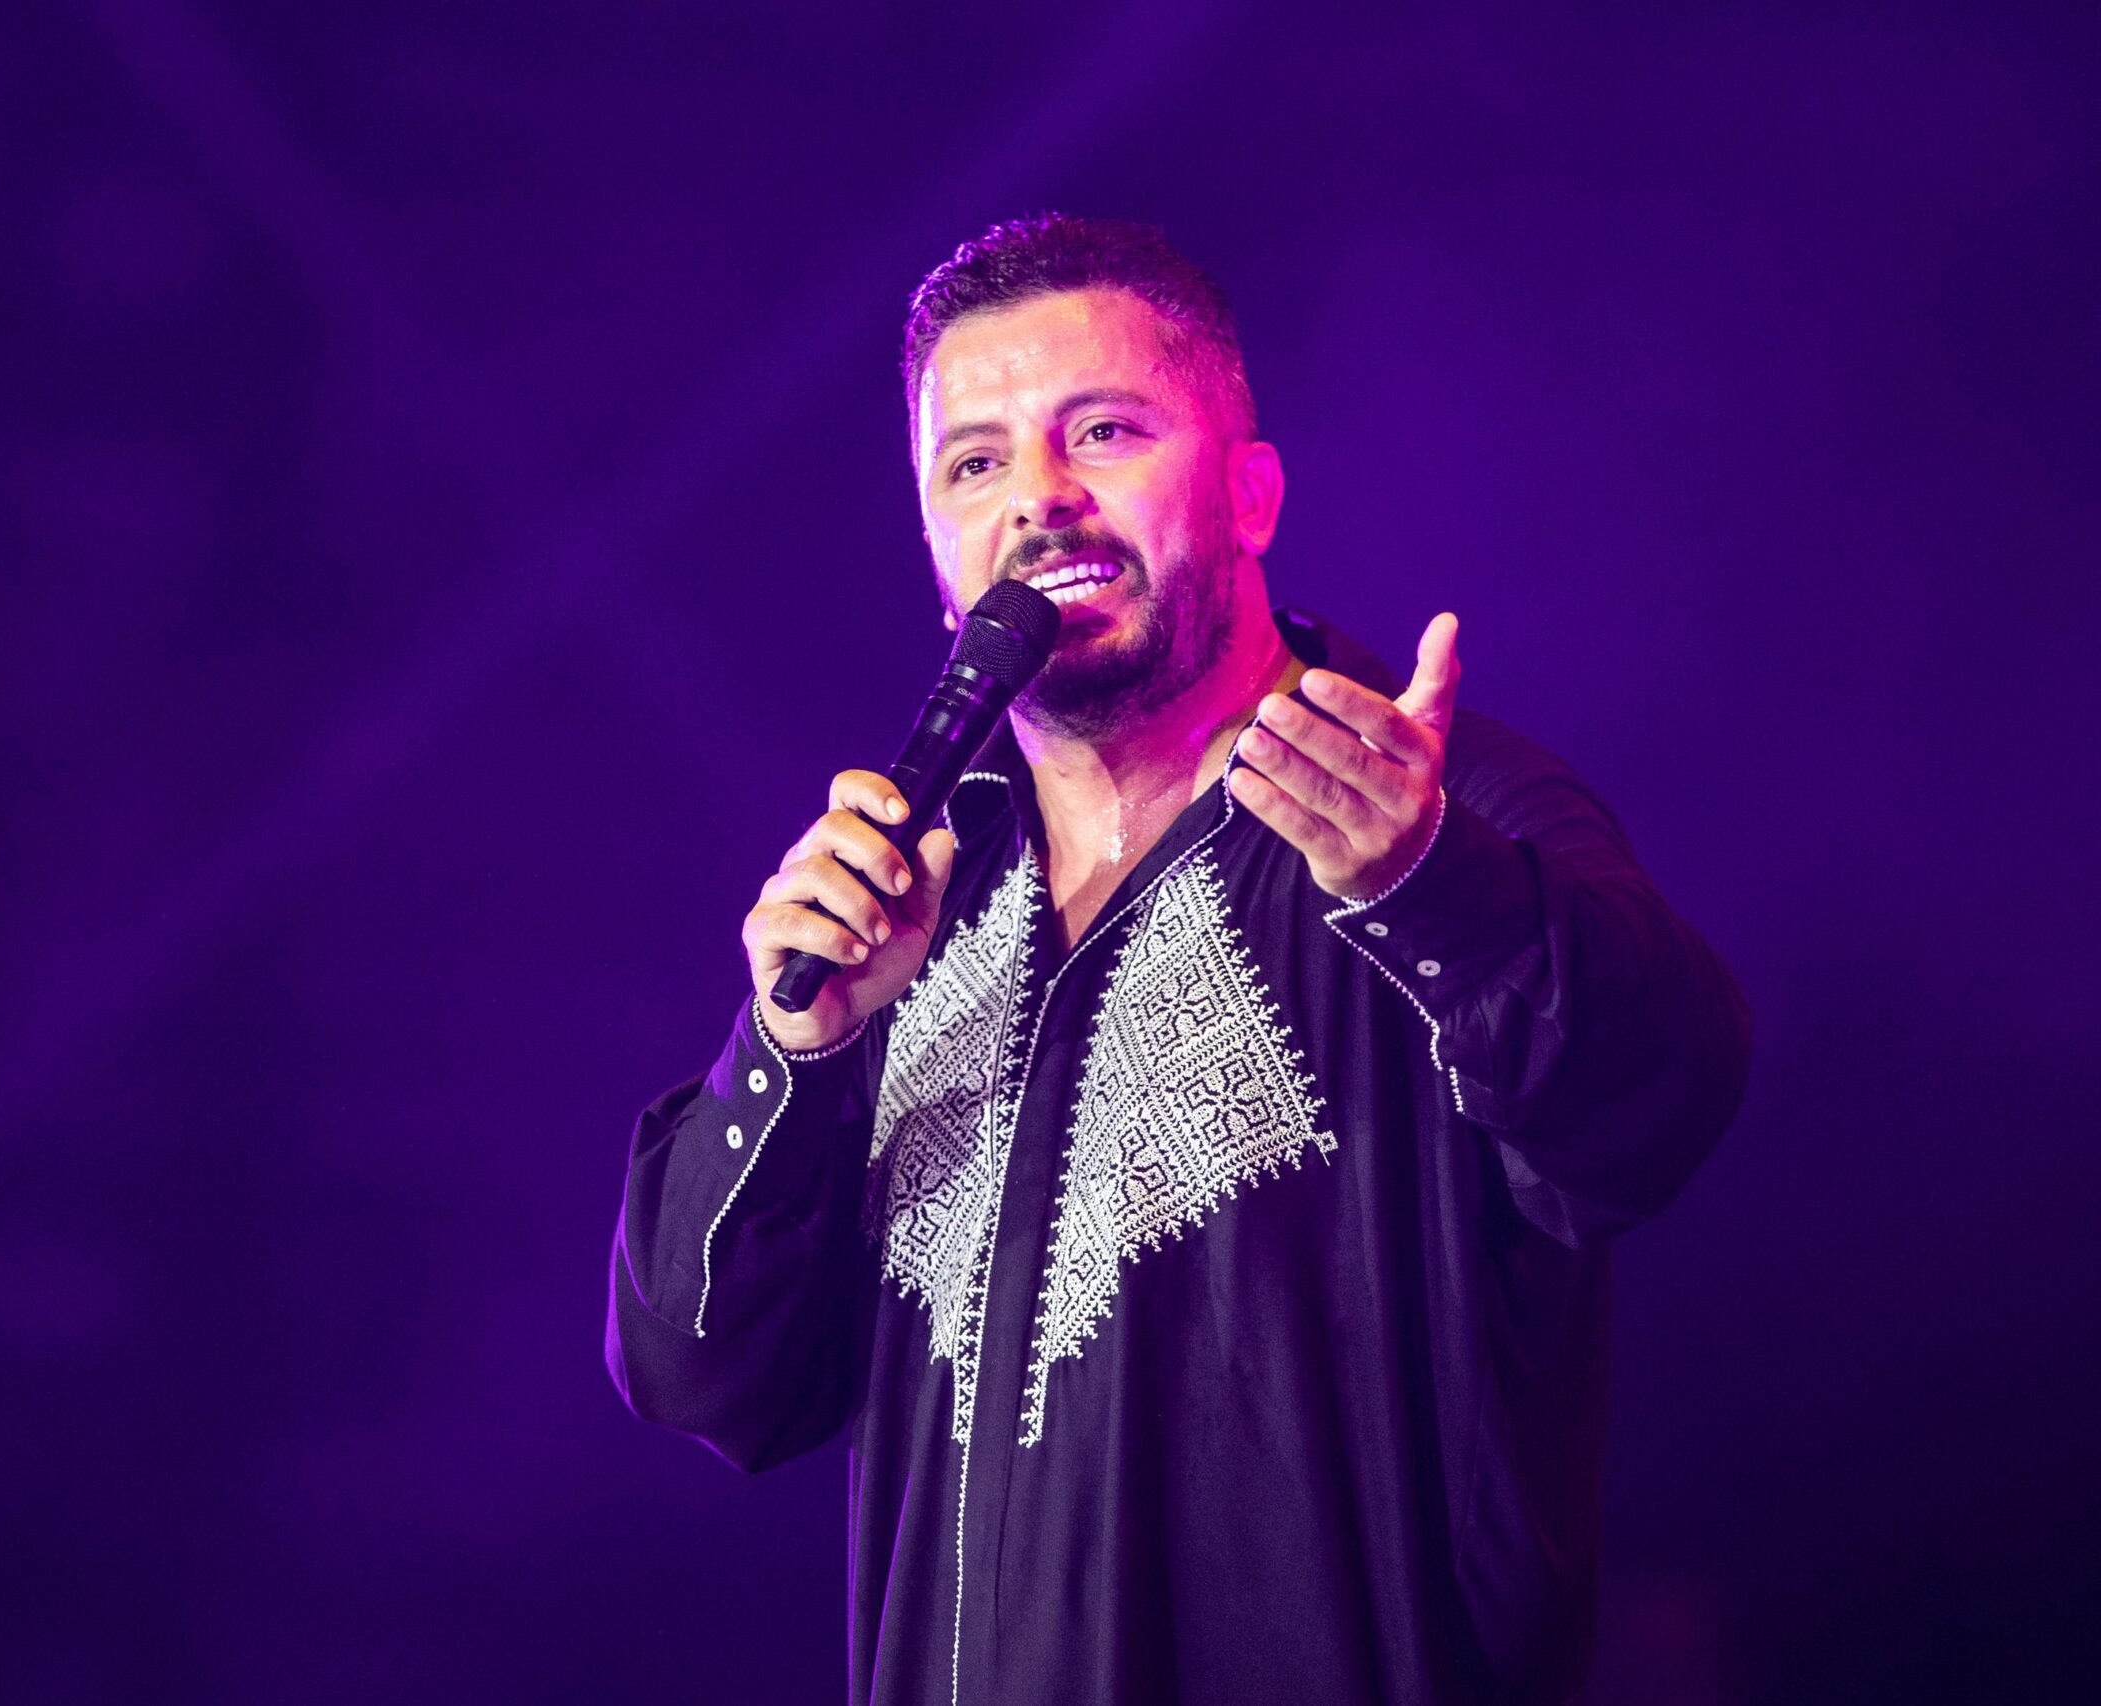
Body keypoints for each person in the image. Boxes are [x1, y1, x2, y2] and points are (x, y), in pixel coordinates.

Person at [604, 213, 1749, 1706]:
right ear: (940, 561)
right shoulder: (917, 903)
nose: (1041, 497)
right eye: (975, 463)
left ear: (1250, 494)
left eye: (1105, 431)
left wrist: (1431, 885)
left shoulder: (1442, 807)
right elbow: (702, 1374)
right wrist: (792, 1050)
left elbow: (1657, 1106)